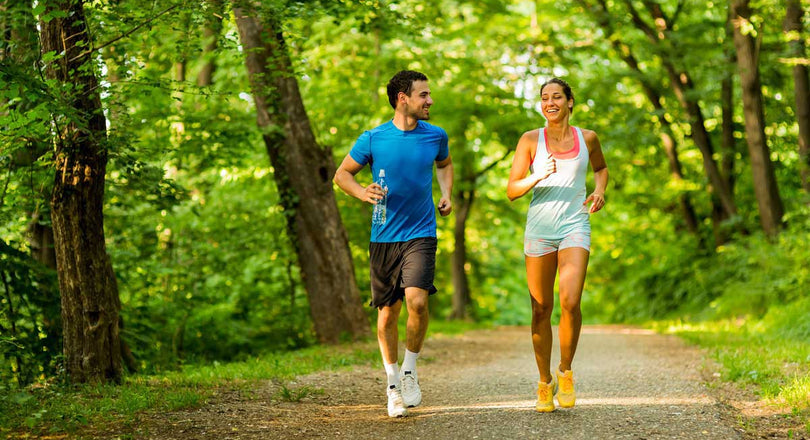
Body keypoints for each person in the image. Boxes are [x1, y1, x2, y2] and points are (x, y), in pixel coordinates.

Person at [333, 70, 453, 418]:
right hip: (384, 235)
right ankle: (392, 385)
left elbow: (444, 165)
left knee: (417, 301)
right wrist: (362, 192)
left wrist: (445, 194)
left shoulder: (436, 136)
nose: (430, 101)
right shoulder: (373, 139)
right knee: (388, 314)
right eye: (423, 95)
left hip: (421, 233)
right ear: (403, 98)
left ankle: (410, 371)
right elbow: (342, 175)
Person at [506, 77, 608, 413]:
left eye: (557, 97)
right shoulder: (530, 140)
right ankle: (543, 381)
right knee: (540, 308)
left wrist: (599, 190)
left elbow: (601, 168)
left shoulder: (587, 138)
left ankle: (565, 370)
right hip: (540, 228)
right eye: (544, 98)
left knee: (571, 299)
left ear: (569, 102)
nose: (550, 103)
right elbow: (512, 190)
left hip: (574, 225)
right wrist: (537, 175)